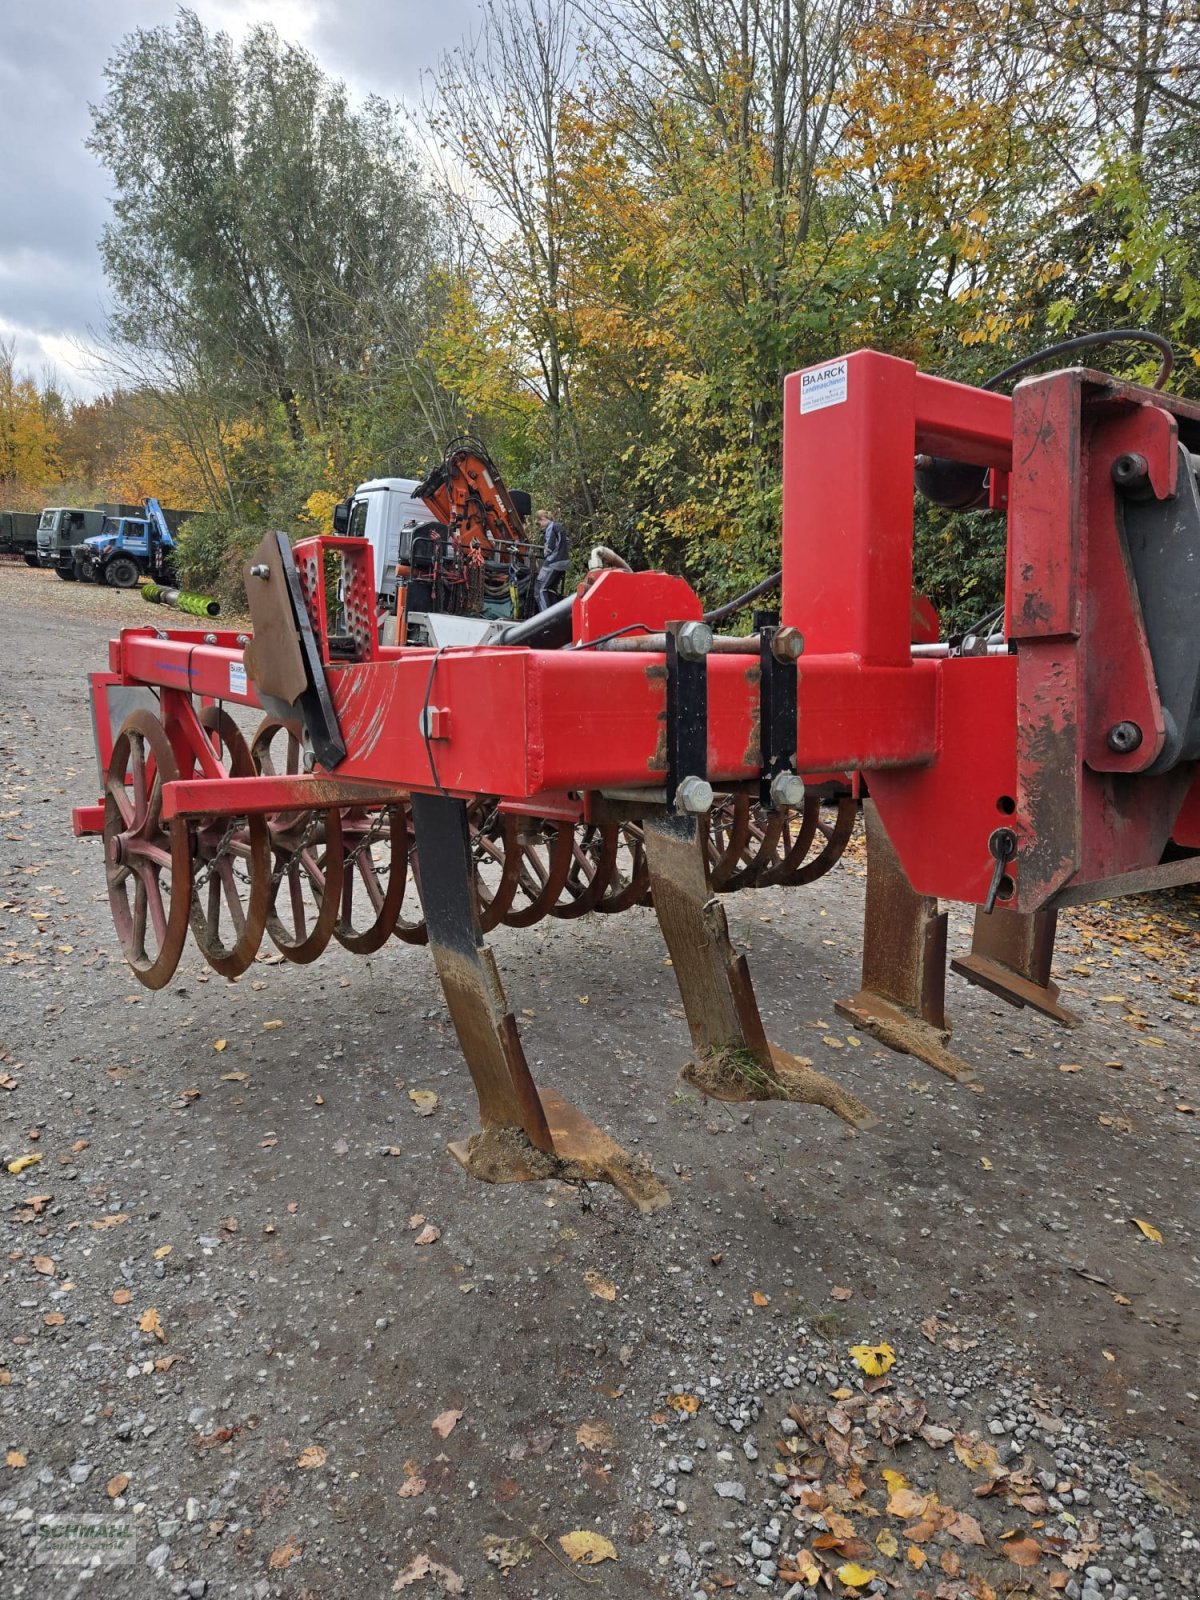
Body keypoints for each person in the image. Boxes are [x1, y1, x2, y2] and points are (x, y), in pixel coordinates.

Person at [534, 509, 569, 612]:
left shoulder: (551, 528)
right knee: (551, 590)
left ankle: (544, 617)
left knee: (540, 589)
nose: (540, 525)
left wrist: (544, 557)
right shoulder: (559, 527)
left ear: (543, 519)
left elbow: (549, 548)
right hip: (564, 562)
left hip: (553, 562)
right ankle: (555, 615)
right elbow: (567, 542)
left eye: (539, 522)